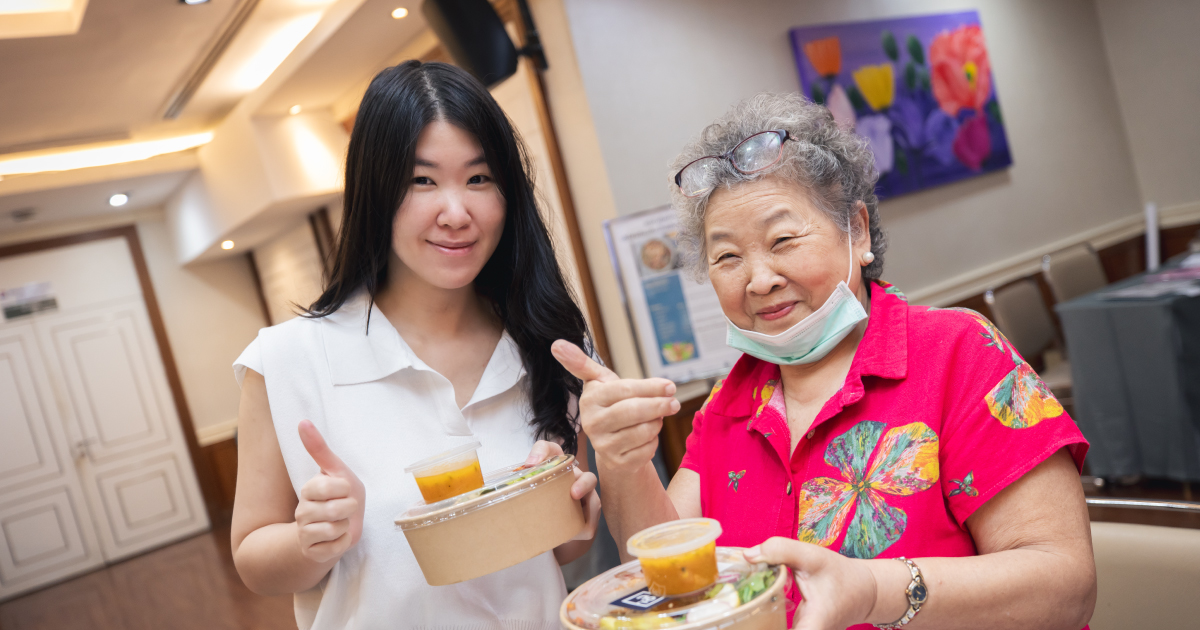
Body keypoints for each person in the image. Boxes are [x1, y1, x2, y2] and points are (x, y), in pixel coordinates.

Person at [552, 92, 1096, 630]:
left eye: (783, 239)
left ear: (856, 230)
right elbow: (670, 572)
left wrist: (871, 592)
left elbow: (1064, 585)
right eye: (727, 257)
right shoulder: (729, 403)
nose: (759, 279)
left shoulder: (959, 353)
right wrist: (622, 462)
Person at [230, 61, 600, 630]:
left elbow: (557, 556)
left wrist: (571, 516)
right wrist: (313, 540)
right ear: (376, 192)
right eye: (421, 180)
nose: (457, 213)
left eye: (479, 179)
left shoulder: (548, 344)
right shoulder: (287, 360)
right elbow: (253, 558)